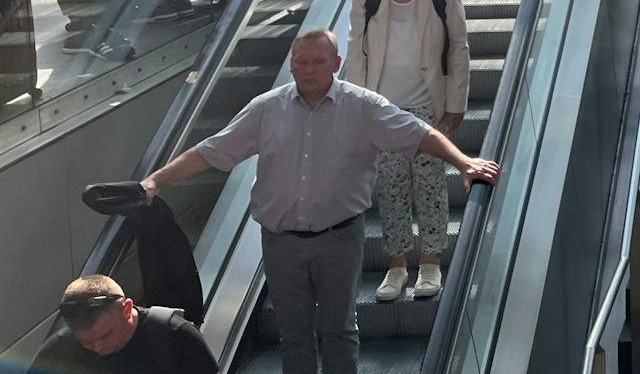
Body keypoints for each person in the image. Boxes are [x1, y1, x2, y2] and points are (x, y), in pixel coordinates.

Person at [140, 30, 499, 374]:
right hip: (281, 242)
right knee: (293, 333)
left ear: (336, 62)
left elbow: (421, 133)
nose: (309, 68)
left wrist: (464, 163)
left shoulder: (363, 107)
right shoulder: (266, 108)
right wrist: (157, 180)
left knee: (339, 330)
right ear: (292, 64)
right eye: (301, 61)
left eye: (318, 61)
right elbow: (210, 152)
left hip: (340, 239)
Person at [342, 0, 469, 302]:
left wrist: (456, 105)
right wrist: (356, 106)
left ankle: (431, 262)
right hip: (382, 107)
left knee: (429, 185)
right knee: (391, 188)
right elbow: (355, 53)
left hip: (428, 104)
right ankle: (396, 265)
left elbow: (459, 47)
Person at [29, 275, 217, 374]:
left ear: (127, 309)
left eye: (105, 335)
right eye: (85, 342)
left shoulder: (175, 336)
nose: (97, 347)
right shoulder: (59, 351)